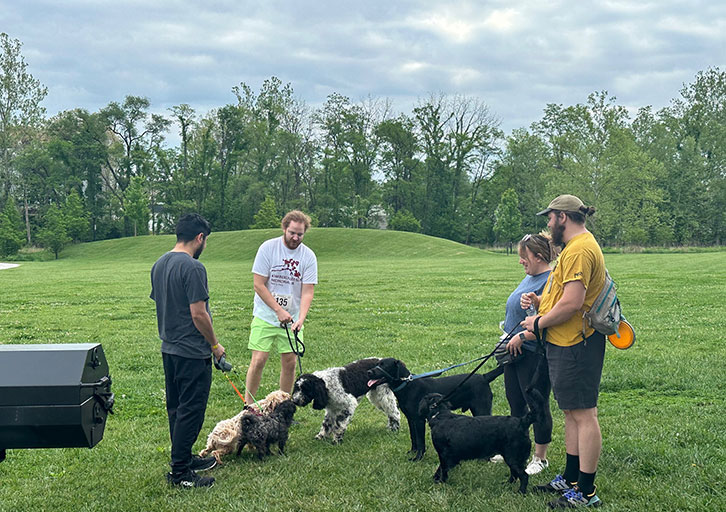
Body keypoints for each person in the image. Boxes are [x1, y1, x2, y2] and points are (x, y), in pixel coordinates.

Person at [520, 195, 606, 509]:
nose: (548, 224)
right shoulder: (574, 248)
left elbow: (572, 304)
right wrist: (542, 303)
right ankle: (570, 479)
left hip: (578, 343)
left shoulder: (581, 249)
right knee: (571, 413)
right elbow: (567, 298)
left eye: (550, 218)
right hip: (565, 341)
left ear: (562, 217)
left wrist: (538, 321)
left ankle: (586, 491)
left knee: (584, 415)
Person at [150, 213, 225, 488]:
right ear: (200, 238)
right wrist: (215, 346)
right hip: (192, 351)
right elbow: (199, 314)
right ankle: (180, 473)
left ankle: (184, 457)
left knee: (177, 409)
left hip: (169, 349)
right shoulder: (193, 268)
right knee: (191, 411)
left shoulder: (159, 264)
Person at [494, 233, 555, 476]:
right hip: (514, 353)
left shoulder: (550, 280)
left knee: (536, 403)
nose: (520, 261)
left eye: (524, 256)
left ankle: (540, 458)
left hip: (533, 354)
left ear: (539, 257)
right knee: (515, 402)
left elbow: (550, 322)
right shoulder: (530, 277)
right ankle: (516, 447)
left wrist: (523, 337)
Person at [244, 210, 318, 404]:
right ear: (284, 228)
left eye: (300, 234)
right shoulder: (268, 248)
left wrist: (301, 318)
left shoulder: (308, 256)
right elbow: (258, 284)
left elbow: (307, 291)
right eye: (292, 232)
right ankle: (249, 405)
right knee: (258, 360)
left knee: (290, 362)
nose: (295, 237)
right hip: (266, 314)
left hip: (291, 319)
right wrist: (278, 310)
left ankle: (284, 407)